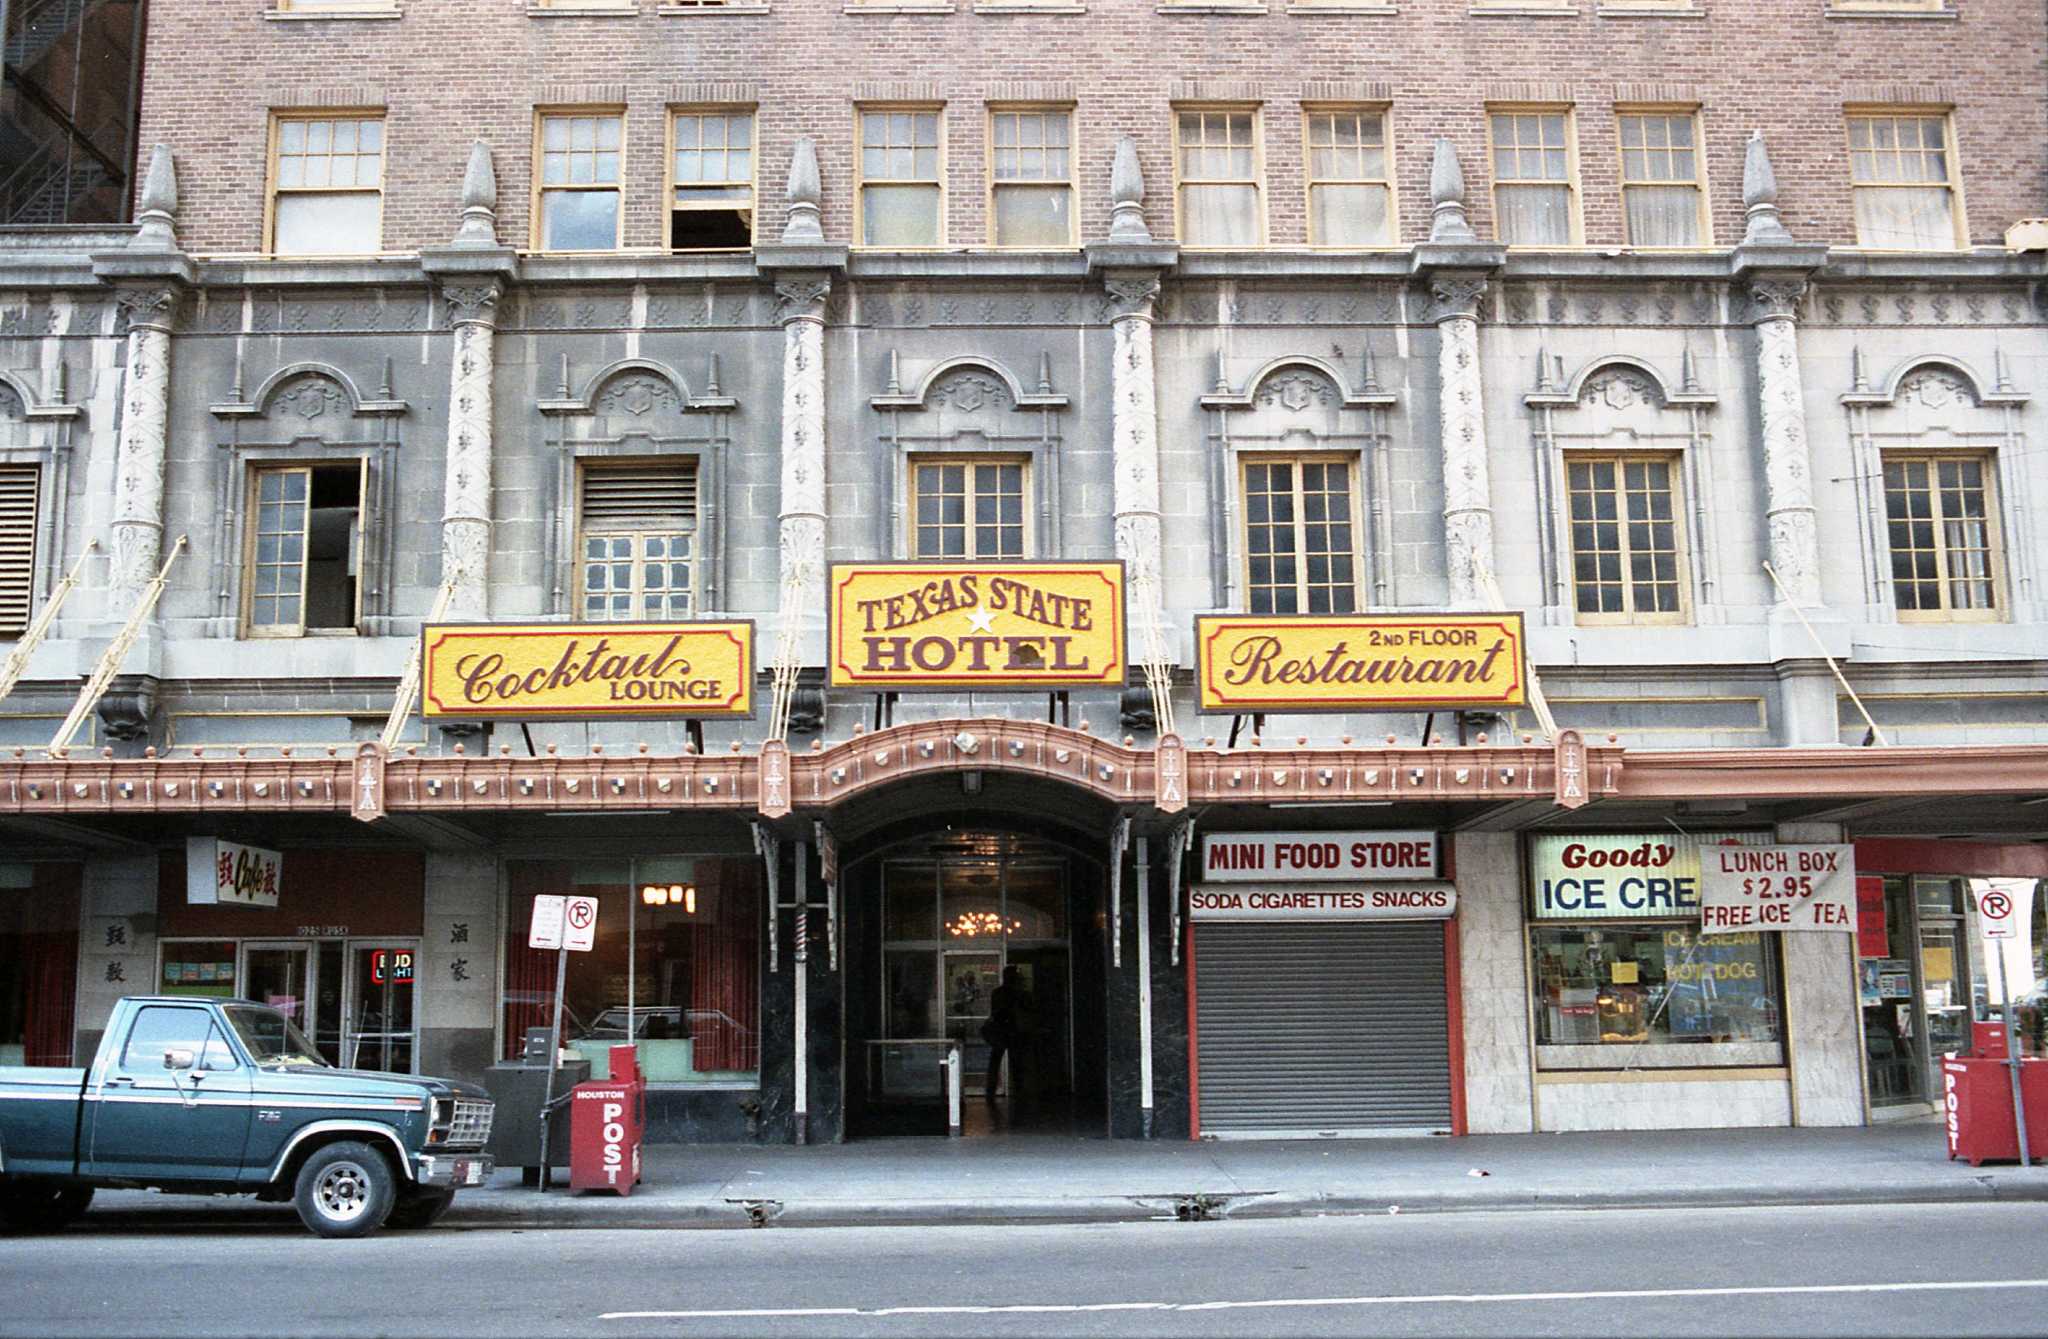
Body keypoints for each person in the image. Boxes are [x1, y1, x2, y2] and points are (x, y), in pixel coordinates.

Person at [982, 966, 1031, 1103]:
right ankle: (1019, 1093)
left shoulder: (997, 993)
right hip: (1013, 1031)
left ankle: (990, 1092)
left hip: (1000, 1031)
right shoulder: (1018, 994)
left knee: (995, 1063)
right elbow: (1026, 1009)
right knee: (1016, 1064)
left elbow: (995, 1012)